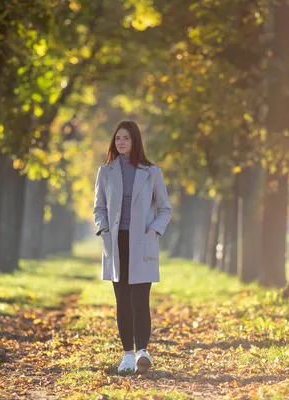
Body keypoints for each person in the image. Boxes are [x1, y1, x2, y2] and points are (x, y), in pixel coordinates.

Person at [93, 120, 172, 374]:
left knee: (140, 299)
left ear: (135, 141)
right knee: (122, 300)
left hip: (142, 242)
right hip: (116, 243)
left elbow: (165, 209)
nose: (121, 142)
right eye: (117, 138)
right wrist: (104, 230)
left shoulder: (152, 172)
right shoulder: (105, 172)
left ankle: (142, 352)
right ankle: (127, 355)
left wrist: (154, 230)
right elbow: (99, 208)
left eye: (125, 138)